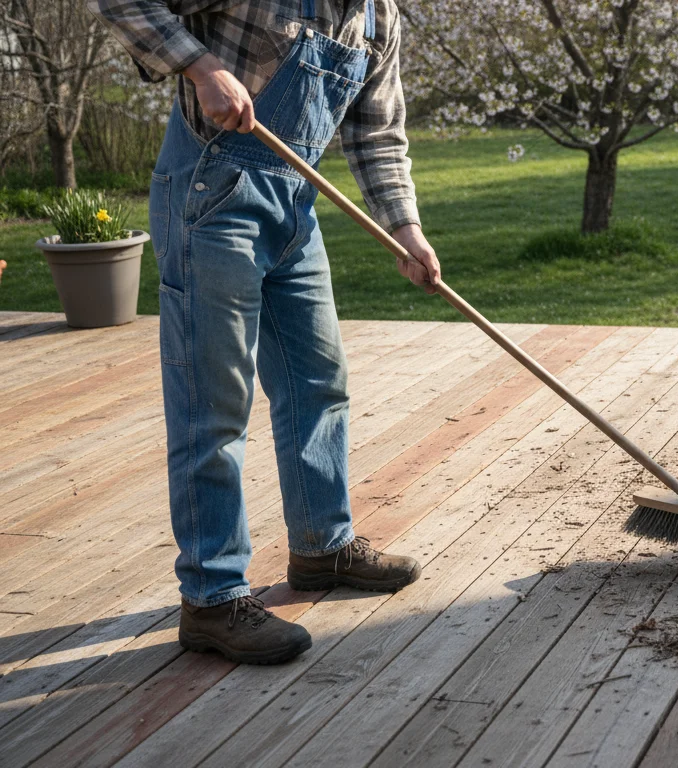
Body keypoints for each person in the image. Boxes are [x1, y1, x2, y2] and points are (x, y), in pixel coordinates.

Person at [92, 0, 440, 664]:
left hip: (292, 209)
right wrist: (200, 67)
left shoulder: (377, 19)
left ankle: (323, 549)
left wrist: (405, 228)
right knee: (213, 403)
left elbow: (376, 134)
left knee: (319, 380)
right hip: (211, 195)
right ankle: (213, 597)